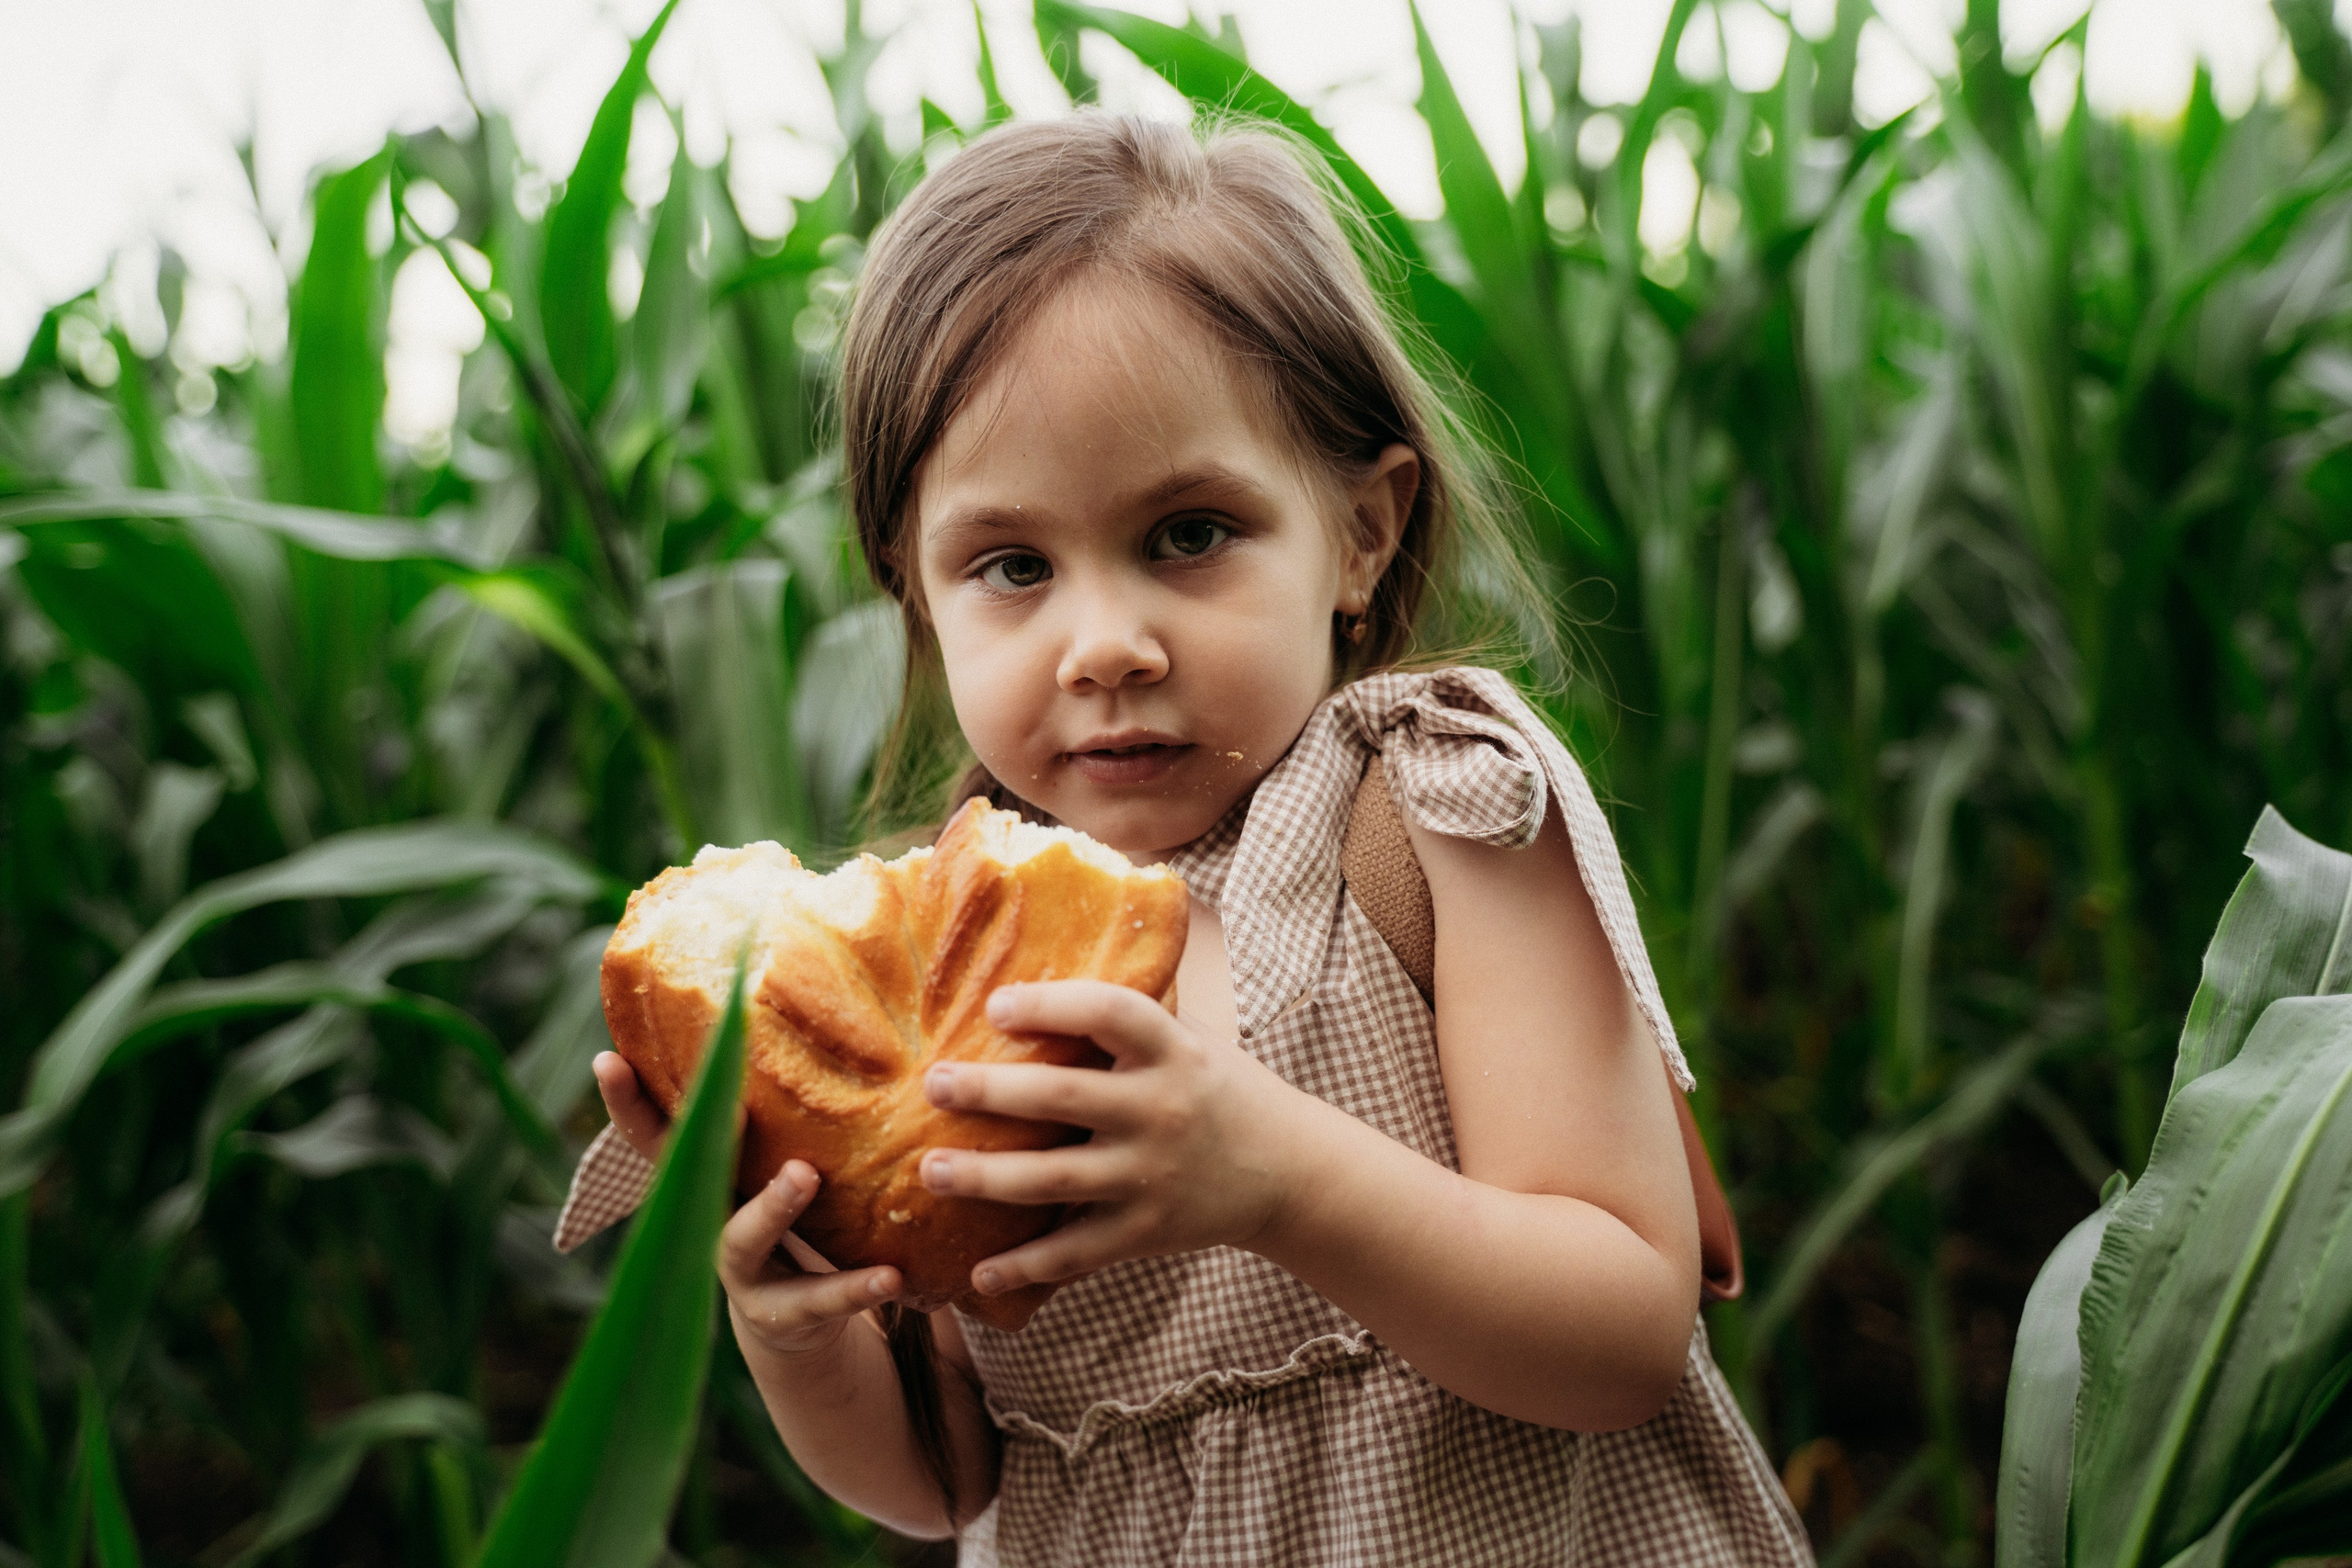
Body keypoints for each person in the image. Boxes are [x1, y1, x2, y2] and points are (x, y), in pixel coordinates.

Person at [584, 111, 1812, 1565]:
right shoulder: (925, 979)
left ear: (1360, 531)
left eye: (1186, 535)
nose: (1104, 645)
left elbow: (1619, 1328)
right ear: (917, 595)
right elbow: (949, 1478)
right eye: (1013, 567)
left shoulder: (1431, 813)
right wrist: (795, 1337)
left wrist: (1270, 1177)